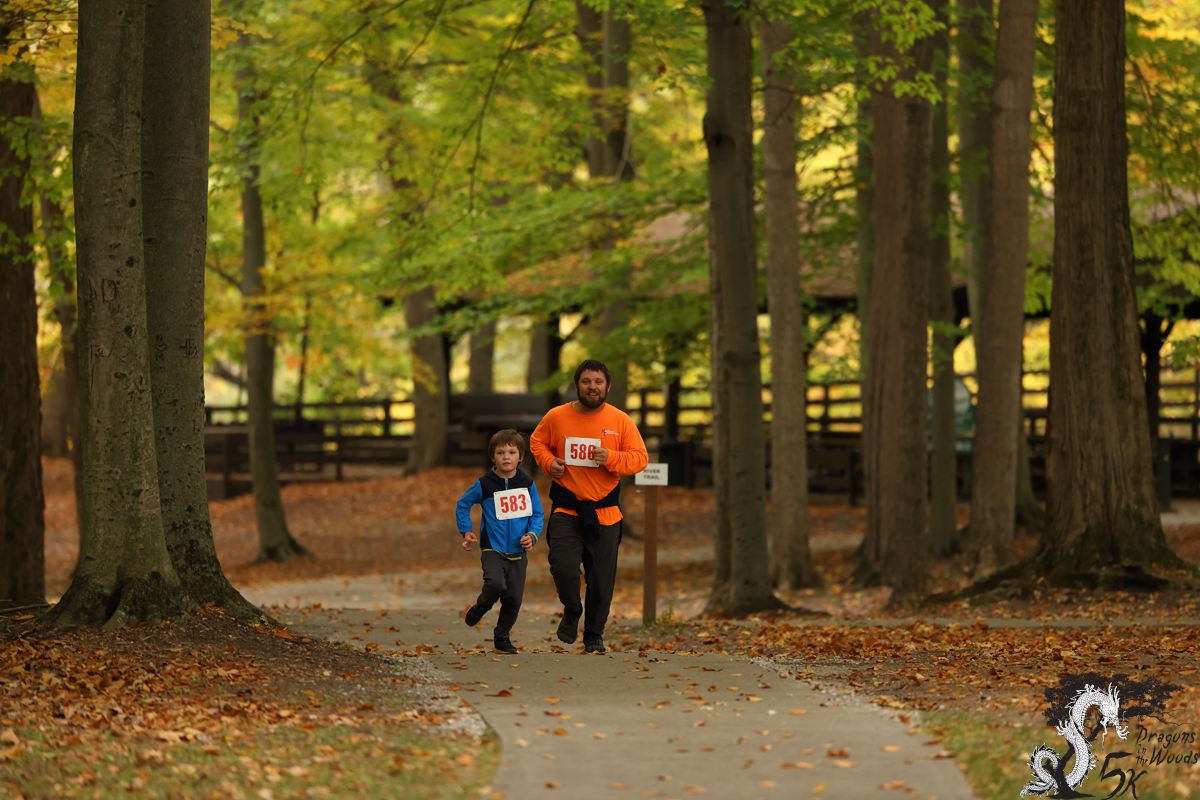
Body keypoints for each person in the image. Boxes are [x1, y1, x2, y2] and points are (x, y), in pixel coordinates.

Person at [530, 359, 648, 654]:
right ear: (576, 385)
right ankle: (572, 610)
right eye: (586, 381)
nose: (592, 387)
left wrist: (611, 457)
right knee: (564, 568)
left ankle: (594, 634)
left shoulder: (620, 420)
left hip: (605, 513)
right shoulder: (557, 416)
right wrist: (548, 463)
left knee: (600, 580)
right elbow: (537, 442)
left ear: (607, 387)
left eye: (598, 382)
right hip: (567, 508)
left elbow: (640, 458)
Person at [457, 429, 544, 655]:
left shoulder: (527, 483)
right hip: (492, 548)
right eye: (500, 452)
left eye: (512, 452)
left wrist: (532, 535)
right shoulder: (484, 484)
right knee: (495, 583)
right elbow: (463, 504)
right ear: (492, 457)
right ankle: (482, 605)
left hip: (518, 551)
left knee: (513, 598)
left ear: (521, 457)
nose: (506, 457)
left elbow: (537, 514)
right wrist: (466, 530)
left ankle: (502, 637)